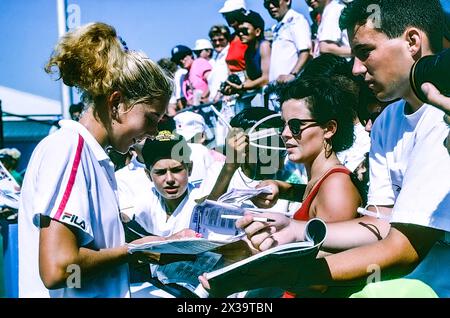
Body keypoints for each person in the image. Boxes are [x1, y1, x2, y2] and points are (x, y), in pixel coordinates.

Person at [200, 0, 450, 298]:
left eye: (364, 52)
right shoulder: (387, 122)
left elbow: (403, 248)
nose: (356, 69)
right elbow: (378, 223)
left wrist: (285, 272)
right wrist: (296, 230)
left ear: (412, 41)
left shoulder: (441, 118)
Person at [17, 22, 184, 298]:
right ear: (117, 102)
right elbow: (58, 270)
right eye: (151, 118)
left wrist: (160, 244)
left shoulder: (91, 156)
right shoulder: (70, 150)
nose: (154, 131)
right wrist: (132, 252)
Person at [264, 0, 311, 84]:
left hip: (291, 87)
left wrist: (293, 75)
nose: (271, 6)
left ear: (287, 1)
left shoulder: (297, 20)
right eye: (267, 4)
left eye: (274, 2)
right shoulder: (276, 28)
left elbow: (305, 51)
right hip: (277, 88)